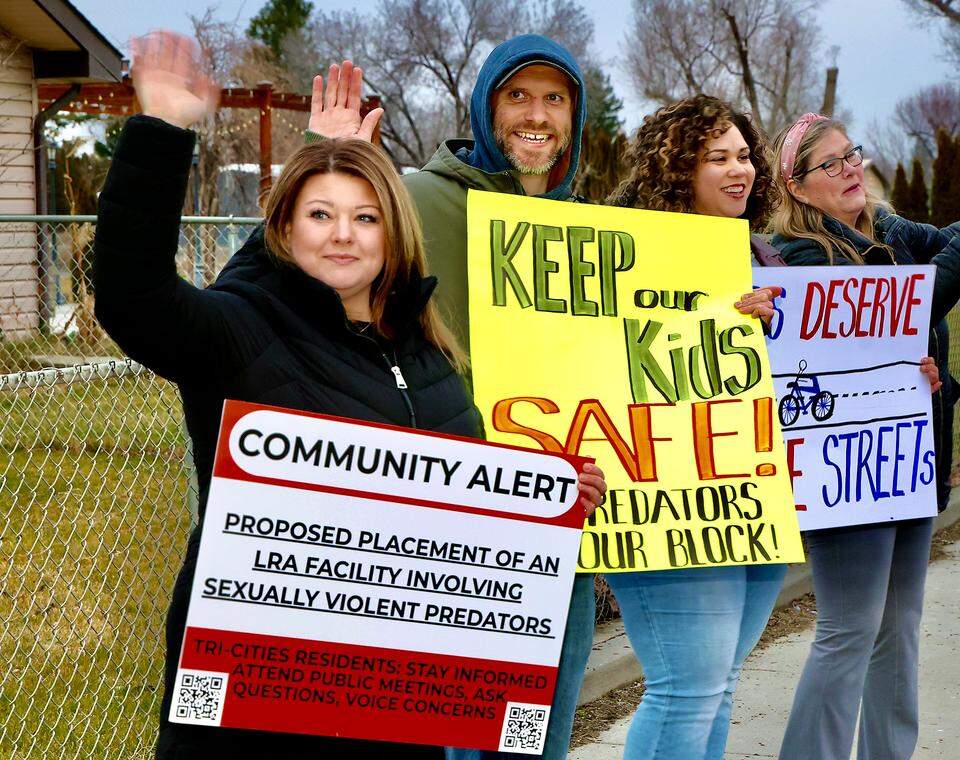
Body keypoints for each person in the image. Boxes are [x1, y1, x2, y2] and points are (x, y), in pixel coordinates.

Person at [93, 31, 605, 758]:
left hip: (393, 710)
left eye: (365, 217)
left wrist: (550, 501)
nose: (343, 236)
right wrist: (161, 130)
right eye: (320, 214)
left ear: (393, 233)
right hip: (253, 714)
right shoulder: (242, 334)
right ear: (286, 227)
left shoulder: (429, 359)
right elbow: (132, 296)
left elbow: (466, 513)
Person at [300, 34, 594, 760]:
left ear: (574, 119)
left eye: (555, 99)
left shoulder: (588, 224)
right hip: (460, 529)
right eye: (517, 96)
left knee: (539, 742)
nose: (537, 115)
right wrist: (321, 158)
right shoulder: (419, 200)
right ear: (485, 106)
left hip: (565, 526)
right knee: (476, 748)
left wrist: (729, 312)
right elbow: (312, 272)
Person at [768, 112, 960, 760]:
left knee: (899, 627)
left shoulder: (885, 228)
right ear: (797, 187)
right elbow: (921, 301)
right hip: (845, 474)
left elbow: (946, 248)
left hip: (908, 460)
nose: (852, 168)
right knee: (849, 629)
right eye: (832, 164)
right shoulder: (798, 255)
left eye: (853, 153)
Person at [602, 94, 789, 760]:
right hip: (667, 500)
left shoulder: (761, 255)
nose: (738, 169)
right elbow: (605, 363)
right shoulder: (623, 257)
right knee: (688, 686)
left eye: (744, 155)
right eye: (717, 158)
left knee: (719, 685)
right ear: (677, 170)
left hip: (751, 497)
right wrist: (710, 323)